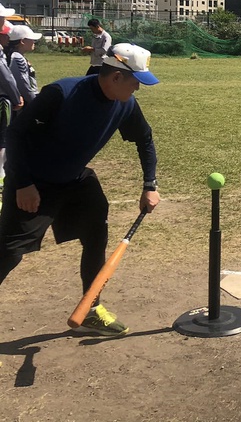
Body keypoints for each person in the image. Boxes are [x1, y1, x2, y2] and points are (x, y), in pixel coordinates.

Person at [0, 43, 161, 336]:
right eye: (136, 82)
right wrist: (23, 183)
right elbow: (15, 133)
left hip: (74, 179)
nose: (138, 89)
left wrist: (150, 185)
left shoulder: (125, 104)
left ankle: (91, 308)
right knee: (8, 253)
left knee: (96, 230)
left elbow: (145, 140)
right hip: (32, 183)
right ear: (115, 78)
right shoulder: (62, 93)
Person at [0, 18, 23, 191]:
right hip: (2, 99)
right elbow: (7, 79)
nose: (8, 38)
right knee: (3, 137)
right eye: (6, 35)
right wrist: (16, 98)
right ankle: (1, 174)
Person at [6, 24, 42, 110]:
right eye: (31, 39)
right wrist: (36, 103)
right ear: (22, 41)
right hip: (24, 103)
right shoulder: (17, 57)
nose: (34, 42)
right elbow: (24, 85)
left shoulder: (15, 55)